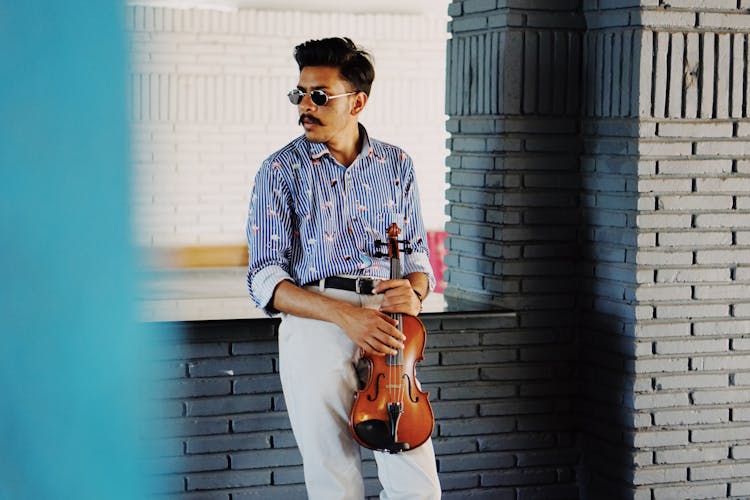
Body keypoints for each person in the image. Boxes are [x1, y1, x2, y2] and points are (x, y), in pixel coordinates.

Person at [246, 37, 441, 500]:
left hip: (389, 325)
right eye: (299, 95)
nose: (304, 107)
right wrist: (345, 316)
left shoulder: (397, 164)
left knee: (417, 481)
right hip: (318, 321)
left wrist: (415, 292)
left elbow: (415, 256)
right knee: (333, 477)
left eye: (319, 96)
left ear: (357, 102)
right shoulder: (279, 170)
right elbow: (264, 279)